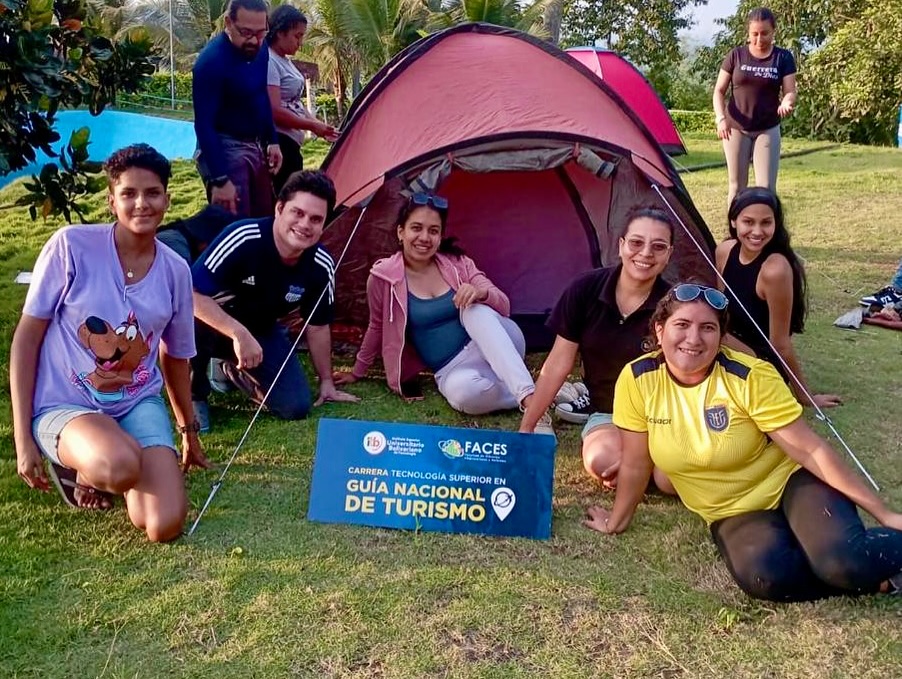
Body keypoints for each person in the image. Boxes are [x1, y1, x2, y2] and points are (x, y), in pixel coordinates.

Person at [584, 283, 902, 602]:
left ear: (722, 337)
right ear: (660, 328)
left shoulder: (750, 376)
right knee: (766, 578)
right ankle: (878, 581)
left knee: (844, 560)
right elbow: (637, 462)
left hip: (789, 481)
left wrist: (883, 513)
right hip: (729, 509)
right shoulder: (637, 379)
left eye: (707, 328)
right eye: (682, 325)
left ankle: (850, 566)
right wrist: (617, 521)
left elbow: (810, 450)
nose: (693, 339)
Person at [10, 144, 210, 542]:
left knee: (163, 525)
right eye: (129, 194)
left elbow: (175, 358)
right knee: (118, 465)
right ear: (111, 201)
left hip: (136, 402)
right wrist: (22, 441)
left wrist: (188, 431)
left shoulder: (174, 271)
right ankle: (81, 467)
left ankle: (114, 458)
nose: (142, 204)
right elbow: (26, 339)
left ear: (167, 199)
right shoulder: (71, 247)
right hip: (65, 403)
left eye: (152, 193)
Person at [335, 192, 553, 433]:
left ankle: (530, 401)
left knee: (473, 311)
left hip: (500, 341)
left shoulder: (459, 264)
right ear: (400, 232)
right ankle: (545, 393)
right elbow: (376, 326)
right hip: (454, 368)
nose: (424, 238)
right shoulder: (383, 278)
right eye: (416, 228)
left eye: (433, 231)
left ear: (440, 236)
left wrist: (480, 293)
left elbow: (504, 305)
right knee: (464, 397)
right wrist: (357, 371)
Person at [519, 208, 676, 491]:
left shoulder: (675, 305)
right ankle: (643, 469)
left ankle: (645, 470)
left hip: (664, 418)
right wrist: (526, 428)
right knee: (601, 461)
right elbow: (557, 364)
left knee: (668, 481)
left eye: (658, 246)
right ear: (621, 245)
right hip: (609, 414)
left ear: (669, 254)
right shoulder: (584, 290)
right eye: (636, 243)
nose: (646, 253)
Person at [190, 170, 357, 432]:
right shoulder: (243, 236)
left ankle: (230, 368)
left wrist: (326, 381)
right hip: (210, 320)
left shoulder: (321, 265)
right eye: (297, 213)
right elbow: (190, 295)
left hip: (261, 330)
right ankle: (194, 394)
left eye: (316, 219)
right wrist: (238, 333)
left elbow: (318, 325)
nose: (305, 225)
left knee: (296, 406)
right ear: (280, 208)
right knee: (189, 322)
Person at [715, 187, 840, 408]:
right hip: (725, 343)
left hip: (758, 361)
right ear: (734, 222)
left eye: (766, 222)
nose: (757, 231)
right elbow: (718, 309)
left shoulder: (775, 270)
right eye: (748, 222)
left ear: (776, 223)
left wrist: (804, 396)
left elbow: (780, 343)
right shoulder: (725, 250)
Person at [193, 0, 282, 218]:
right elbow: (204, 125)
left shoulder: (261, 50)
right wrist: (220, 178)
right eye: (246, 32)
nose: (253, 40)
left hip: (254, 143)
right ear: (228, 23)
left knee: (265, 218)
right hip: (224, 145)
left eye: (261, 33)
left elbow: (260, 94)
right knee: (235, 221)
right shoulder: (210, 62)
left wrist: (272, 139)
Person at [713, 7, 797, 207]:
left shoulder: (783, 58)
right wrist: (720, 119)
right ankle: (735, 233)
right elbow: (718, 91)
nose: (759, 39)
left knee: (766, 188)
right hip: (735, 128)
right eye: (755, 34)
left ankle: (768, 235)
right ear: (748, 34)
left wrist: (787, 102)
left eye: (765, 33)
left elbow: (790, 91)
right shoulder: (736, 56)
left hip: (767, 128)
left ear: (774, 31)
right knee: (737, 187)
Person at [266, 5, 339, 194]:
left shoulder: (284, 60)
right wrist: (311, 126)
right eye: (297, 36)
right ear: (280, 33)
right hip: (280, 144)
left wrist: (319, 125)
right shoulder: (269, 61)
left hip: (292, 143)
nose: (300, 42)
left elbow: (294, 102)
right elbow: (274, 110)